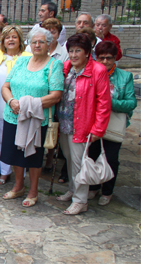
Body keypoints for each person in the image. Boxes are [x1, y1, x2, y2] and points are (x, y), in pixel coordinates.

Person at [0, 27, 64, 208]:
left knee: (33, 157)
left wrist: (28, 105)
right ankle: (19, 185)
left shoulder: (54, 65)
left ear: (49, 44)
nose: (37, 45)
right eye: (34, 42)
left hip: (37, 120)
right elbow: (5, 86)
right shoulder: (21, 61)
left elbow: (55, 95)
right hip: (14, 116)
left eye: (41, 42)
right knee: (15, 154)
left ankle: (33, 190)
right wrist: (12, 101)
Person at [55, 34, 111, 215]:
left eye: (78, 50)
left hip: (82, 123)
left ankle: (81, 200)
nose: (73, 54)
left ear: (87, 52)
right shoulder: (66, 67)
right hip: (64, 121)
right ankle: (73, 189)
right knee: (69, 159)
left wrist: (98, 128)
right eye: (71, 50)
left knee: (79, 163)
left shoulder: (97, 70)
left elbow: (104, 102)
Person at [87, 42, 137, 206]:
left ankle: (107, 190)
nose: (105, 62)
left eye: (109, 58)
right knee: (92, 156)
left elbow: (131, 103)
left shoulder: (125, 77)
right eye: (101, 58)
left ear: (115, 58)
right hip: (93, 123)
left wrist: (107, 102)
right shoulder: (91, 73)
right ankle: (93, 186)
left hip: (113, 124)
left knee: (111, 159)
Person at [0, 25, 32, 185]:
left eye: (14, 37)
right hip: (0, 104)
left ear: (20, 39)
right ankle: (4, 171)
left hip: (21, 105)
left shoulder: (28, 56)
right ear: (3, 40)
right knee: (1, 140)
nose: (11, 40)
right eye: (7, 37)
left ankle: (22, 171)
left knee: (22, 141)